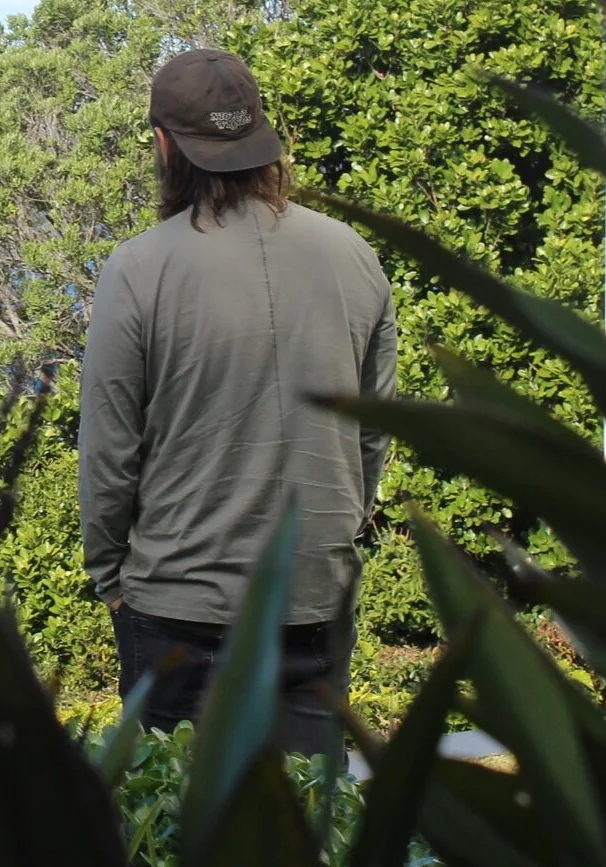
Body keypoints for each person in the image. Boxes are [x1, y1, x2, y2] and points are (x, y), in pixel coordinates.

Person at [78, 47, 395, 756]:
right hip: (312, 601)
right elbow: (372, 433)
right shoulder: (353, 255)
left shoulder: (138, 267)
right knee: (306, 816)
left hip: (179, 604)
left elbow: (109, 448)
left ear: (165, 145)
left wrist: (110, 576)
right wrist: (334, 539)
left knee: (177, 819)